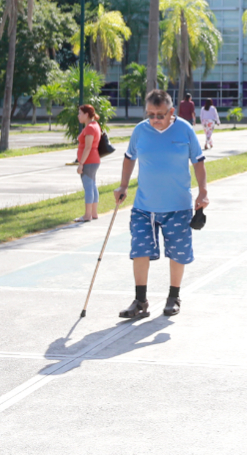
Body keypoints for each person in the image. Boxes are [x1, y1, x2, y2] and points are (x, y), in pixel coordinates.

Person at [114, 89, 209, 319]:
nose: (155, 120)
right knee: (139, 250)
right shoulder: (140, 131)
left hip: (178, 206)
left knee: (177, 252)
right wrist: (123, 186)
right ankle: (140, 301)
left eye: (160, 115)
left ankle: (173, 297)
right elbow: (129, 158)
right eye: (151, 114)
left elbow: (198, 162)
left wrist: (203, 192)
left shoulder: (185, 129)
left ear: (171, 112)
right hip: (144, 206)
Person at [74, 104, 102, 222]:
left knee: (88, 187)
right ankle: (93, 213)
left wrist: (81, 163)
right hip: (93, 160)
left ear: (86, 115)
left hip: (89, 161)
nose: (78, 116)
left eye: (80, 113)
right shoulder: (94, 125)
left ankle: (87, 215)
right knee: (92, 186)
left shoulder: (90, 127)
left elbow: (88, 147)